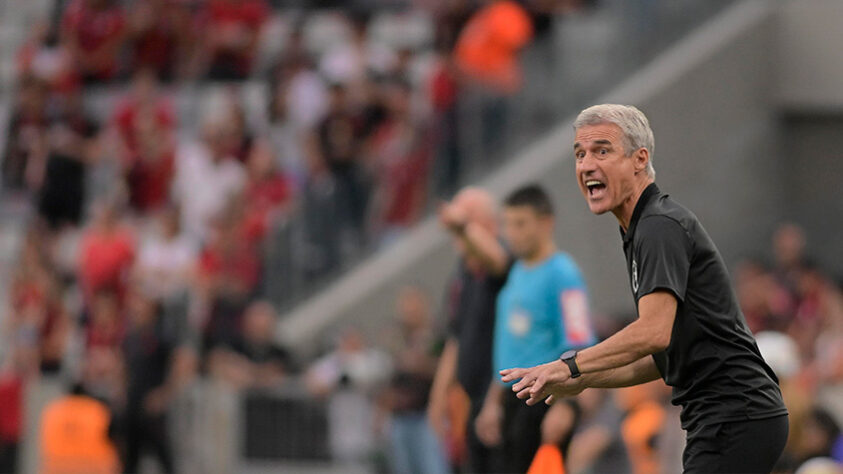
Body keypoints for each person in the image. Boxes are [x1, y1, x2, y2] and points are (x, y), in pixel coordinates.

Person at [501, 104, 789, 473]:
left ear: (640, 159)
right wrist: (581, 379)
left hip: (736, 414)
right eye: (579, 154)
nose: (586, 164)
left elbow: (652, 333)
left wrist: (569, 365)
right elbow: (658, 358)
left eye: (602, 150)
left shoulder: (657, 226)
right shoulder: (642, 229)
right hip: (730, 416)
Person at [476, 184, 595, 473]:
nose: (510, 233)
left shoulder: (564, 274)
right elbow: (510, 348)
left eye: (520, 224)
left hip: (543, 400)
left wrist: (566, 406)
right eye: (507, 224)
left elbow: (581, 346)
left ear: (546, 223)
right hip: (511, 401)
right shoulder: (517, 272)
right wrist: (493, 402)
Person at [428, 187, 510, 473]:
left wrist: (463, 226)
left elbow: (496, 260)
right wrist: (438, 399)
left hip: (503, 400)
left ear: (488, 224)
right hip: (471, 403)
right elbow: (456, 337)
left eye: (467, 219)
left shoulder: (504, 261)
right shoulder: (461, 274)